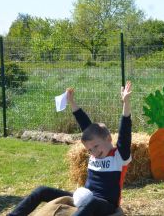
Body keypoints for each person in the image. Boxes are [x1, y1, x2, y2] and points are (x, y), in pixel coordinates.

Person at [9, 81, 134, 216]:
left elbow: (125, 131)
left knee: (91, 203)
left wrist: (126, 103)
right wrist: (71, 102)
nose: (94, 152)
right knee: (41, 190)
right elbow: (85, 125)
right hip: (84, 197)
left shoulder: (119, 156)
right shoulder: (94, 151)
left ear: (108, 138)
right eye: (90, 150)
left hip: (105, 204)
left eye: (96, 146)